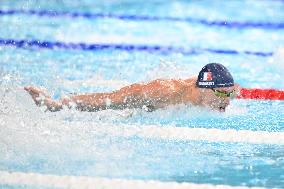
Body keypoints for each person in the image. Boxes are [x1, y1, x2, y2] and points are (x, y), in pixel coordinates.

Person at [24, 63, 239, 112]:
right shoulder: (164, 91)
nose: (228, 101)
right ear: (203, 88)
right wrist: (56, 105)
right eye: (222, 94)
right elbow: (109, 99)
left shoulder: (211, 93)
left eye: (231, 94)